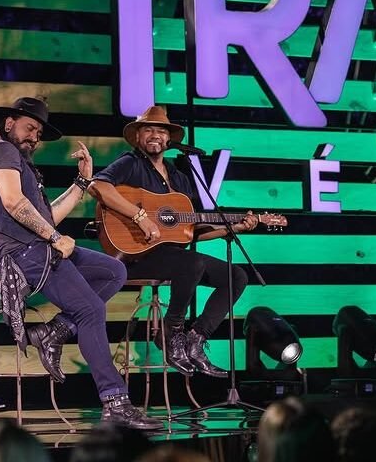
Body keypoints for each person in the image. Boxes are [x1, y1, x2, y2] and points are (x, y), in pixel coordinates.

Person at [0, 96, 160, 430]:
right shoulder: (1, 151)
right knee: (90, 310)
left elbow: (47, 216)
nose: (34, 137)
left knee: (113, 271)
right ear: (9, 122)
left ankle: (53, 331)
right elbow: (14, 204)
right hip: (20, 253)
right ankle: (114, 401)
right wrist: (55, 239)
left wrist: (82, 183)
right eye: (30, 128)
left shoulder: (19, 160)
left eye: (39, 132)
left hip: (37, 246)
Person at [89, 105, 257, 377]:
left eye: (161, 131)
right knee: (190, 263)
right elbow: (98, 185)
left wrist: (232, 227)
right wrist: (140, 216)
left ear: (169, 140)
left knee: (236, 275)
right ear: (138, 136)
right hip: (136, 256)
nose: (155, 135)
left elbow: (189, 231)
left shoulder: (178, 178)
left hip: (175, 258)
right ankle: (171, 332)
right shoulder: (131, 163)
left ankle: (196, 339)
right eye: (148, 130)